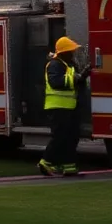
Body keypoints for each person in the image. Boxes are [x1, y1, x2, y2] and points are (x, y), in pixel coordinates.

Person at [39, 36, 90, 177]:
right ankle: (45, 162)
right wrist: (76, 78)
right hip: (58, 108)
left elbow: (75, 83)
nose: (73, 53)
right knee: (60, 137)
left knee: (71, 137)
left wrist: (83, 76)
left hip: (68, 108)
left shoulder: (68, 65)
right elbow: (56, 82)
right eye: (70, 51)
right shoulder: (55, 64)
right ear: (63, 52)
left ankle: (70, 167)